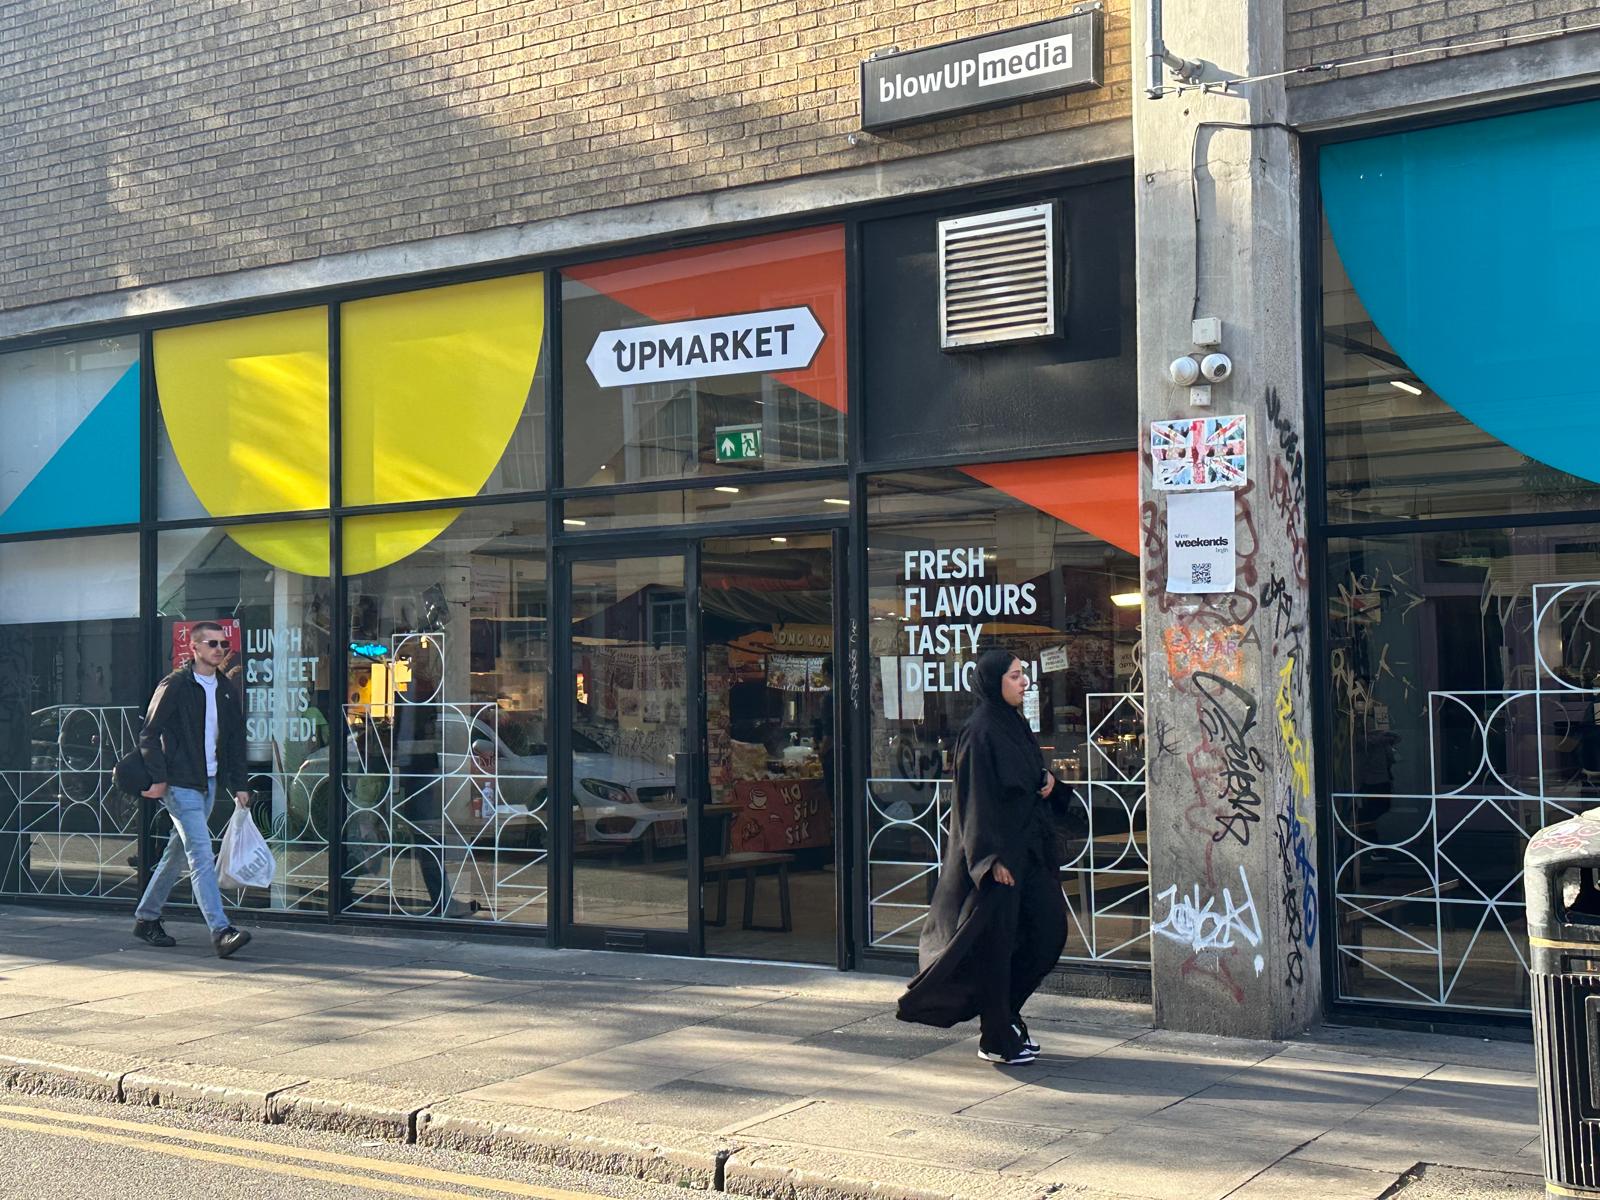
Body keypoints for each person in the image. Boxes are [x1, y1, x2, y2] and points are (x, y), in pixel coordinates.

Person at [896, 648, 1068, 1065]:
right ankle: (996, 1036)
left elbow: (1026, 777)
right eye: (1014, 676)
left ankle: (1006, 1016)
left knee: (1048, 933)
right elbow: (973, 800)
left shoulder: (1014, 723)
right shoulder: (979, 731)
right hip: (1000, 862)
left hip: (1030, 852)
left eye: (1023, 674)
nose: (1024, 682)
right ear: (994, 682)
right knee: (996, 948)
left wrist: (1048, 781)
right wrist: (988, 859)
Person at [131, 620, 253, 958]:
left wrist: (239, 784)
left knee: (176, 854)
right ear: (194, 647)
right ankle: (221, 931)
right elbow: (148, 734)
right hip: (180, 783)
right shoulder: (176, 684)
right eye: (212, 643)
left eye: (223, 644)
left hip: (208, 782)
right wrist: (159, 778)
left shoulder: (226, 688)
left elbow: (234, 740)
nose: (219, 649)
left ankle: (146, 918)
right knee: (200, 853)